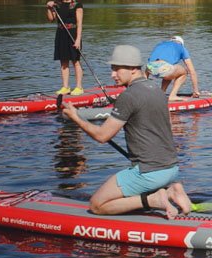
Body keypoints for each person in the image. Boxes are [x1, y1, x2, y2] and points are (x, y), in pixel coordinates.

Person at [62, 44, 191, 219]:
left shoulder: (128, 97)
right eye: (112, 69)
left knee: (96, 205)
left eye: (117, 69)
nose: (112, 74)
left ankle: (155, 200)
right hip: (171, 169)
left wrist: (76, 117)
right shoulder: (158, 91)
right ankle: (174, 190)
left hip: (149, 173)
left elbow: (102, 136)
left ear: (132, 69)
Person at [46, 0, 84, 96]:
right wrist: (48, 7)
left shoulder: (77, 5)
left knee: (75, 62)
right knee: (63, 62)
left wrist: (78, 39)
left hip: (73, 34)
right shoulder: (58, 4)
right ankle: (65, 87)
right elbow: (51, 19)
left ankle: (79, 87)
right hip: (61, 34)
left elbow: (79, 23)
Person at [146, 35, 201, 101]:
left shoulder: (160, 44)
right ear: (181, 43)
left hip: (149, 68)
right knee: (185, 71)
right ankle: (172, 96)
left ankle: (161, 94)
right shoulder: (181, 48)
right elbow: (192, 72)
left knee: (170, 71)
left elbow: (151, 62)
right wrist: (196, 91)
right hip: (162, 67)